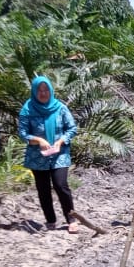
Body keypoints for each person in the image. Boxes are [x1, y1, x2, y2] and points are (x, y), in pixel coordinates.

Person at [18, 76, 79, 233]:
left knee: (61, 185)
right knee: (43, 189)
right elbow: (23, 133)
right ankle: (50, 219)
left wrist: (61, 141)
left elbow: (71, 128)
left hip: (60, 154)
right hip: (38, 157)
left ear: (51, 91)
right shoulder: (27, 109)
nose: (43, 93)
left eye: (46, 90)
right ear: (34, 91)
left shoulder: (60, 108)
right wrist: (38, 140)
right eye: (39, 90)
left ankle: (71, 218)